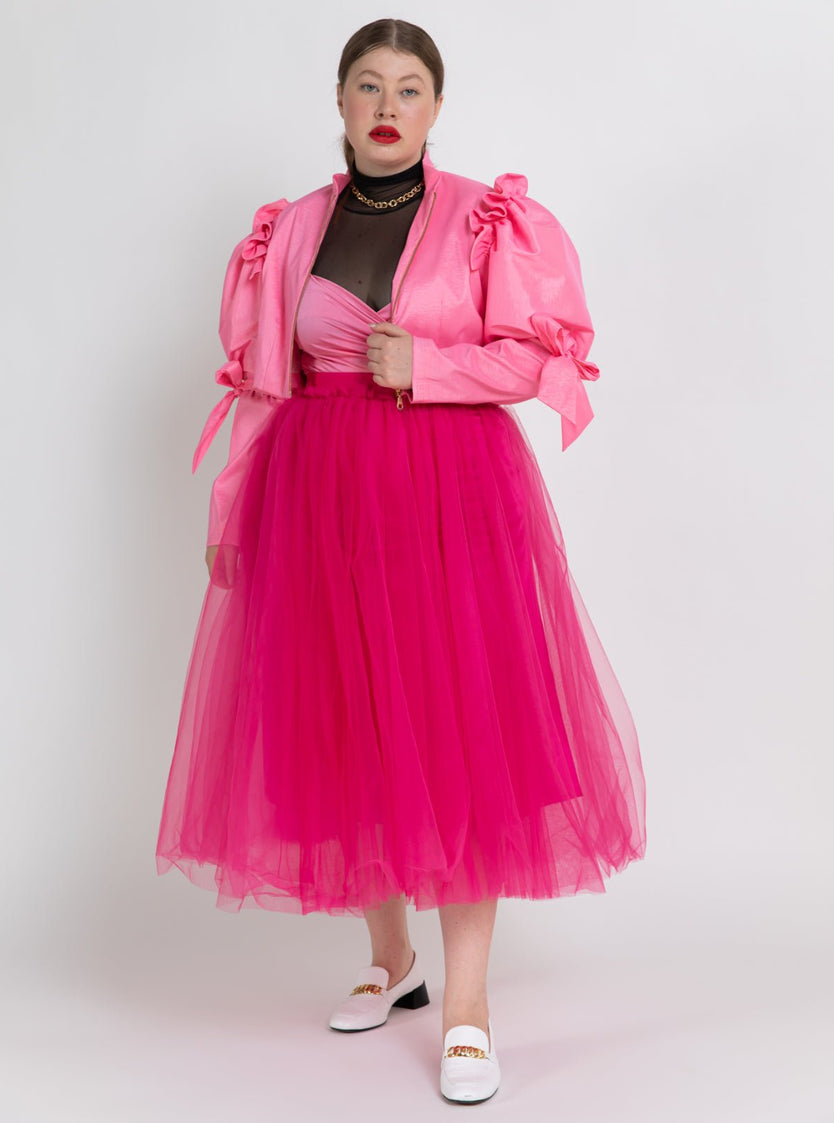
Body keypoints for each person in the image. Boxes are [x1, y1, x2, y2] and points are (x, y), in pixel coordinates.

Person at [155, 18, 647, 1105]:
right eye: (369, 85)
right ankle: (393, 961)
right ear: (339, 101)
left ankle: (468, 1008)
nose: (388, 105)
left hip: (449, 495)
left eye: (410, 87)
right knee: (343, 720)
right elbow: (261, 386)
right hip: (317, 497)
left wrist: (428, 361)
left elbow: (542, 359)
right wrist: (231, 510)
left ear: (436, 106)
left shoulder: (484, 218)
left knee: (461, 729)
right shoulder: (291, 227)